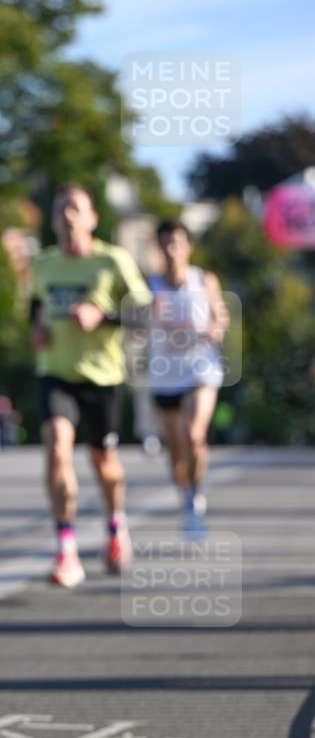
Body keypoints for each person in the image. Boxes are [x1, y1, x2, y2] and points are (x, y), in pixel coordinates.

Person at [29, 184, 152, 586]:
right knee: (56, 447)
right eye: (60, 209)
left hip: (103, 377)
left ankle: (115, 525)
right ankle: (66, 549)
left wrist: (103, 317)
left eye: (75, 208)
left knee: (105, 466)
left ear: (92, 218)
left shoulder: (112, 260)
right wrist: (36, 328)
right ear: (52, 220)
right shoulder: (43, 264)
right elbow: (35, 304)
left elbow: (143, 312)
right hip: (56, 372)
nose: (67, 216)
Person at [147, 220, 229, 537]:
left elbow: (220, 316)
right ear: (158, 247)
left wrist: (215, 328)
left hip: (200, 370)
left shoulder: (204, 280)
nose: (172, 250)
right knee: (176, 450)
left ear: (188, 247)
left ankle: (195, 496)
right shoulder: (149, 285)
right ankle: (185, 494)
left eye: (178, 243)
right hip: (165, 375)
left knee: (194, 435)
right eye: (166, 243)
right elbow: (140, 326)